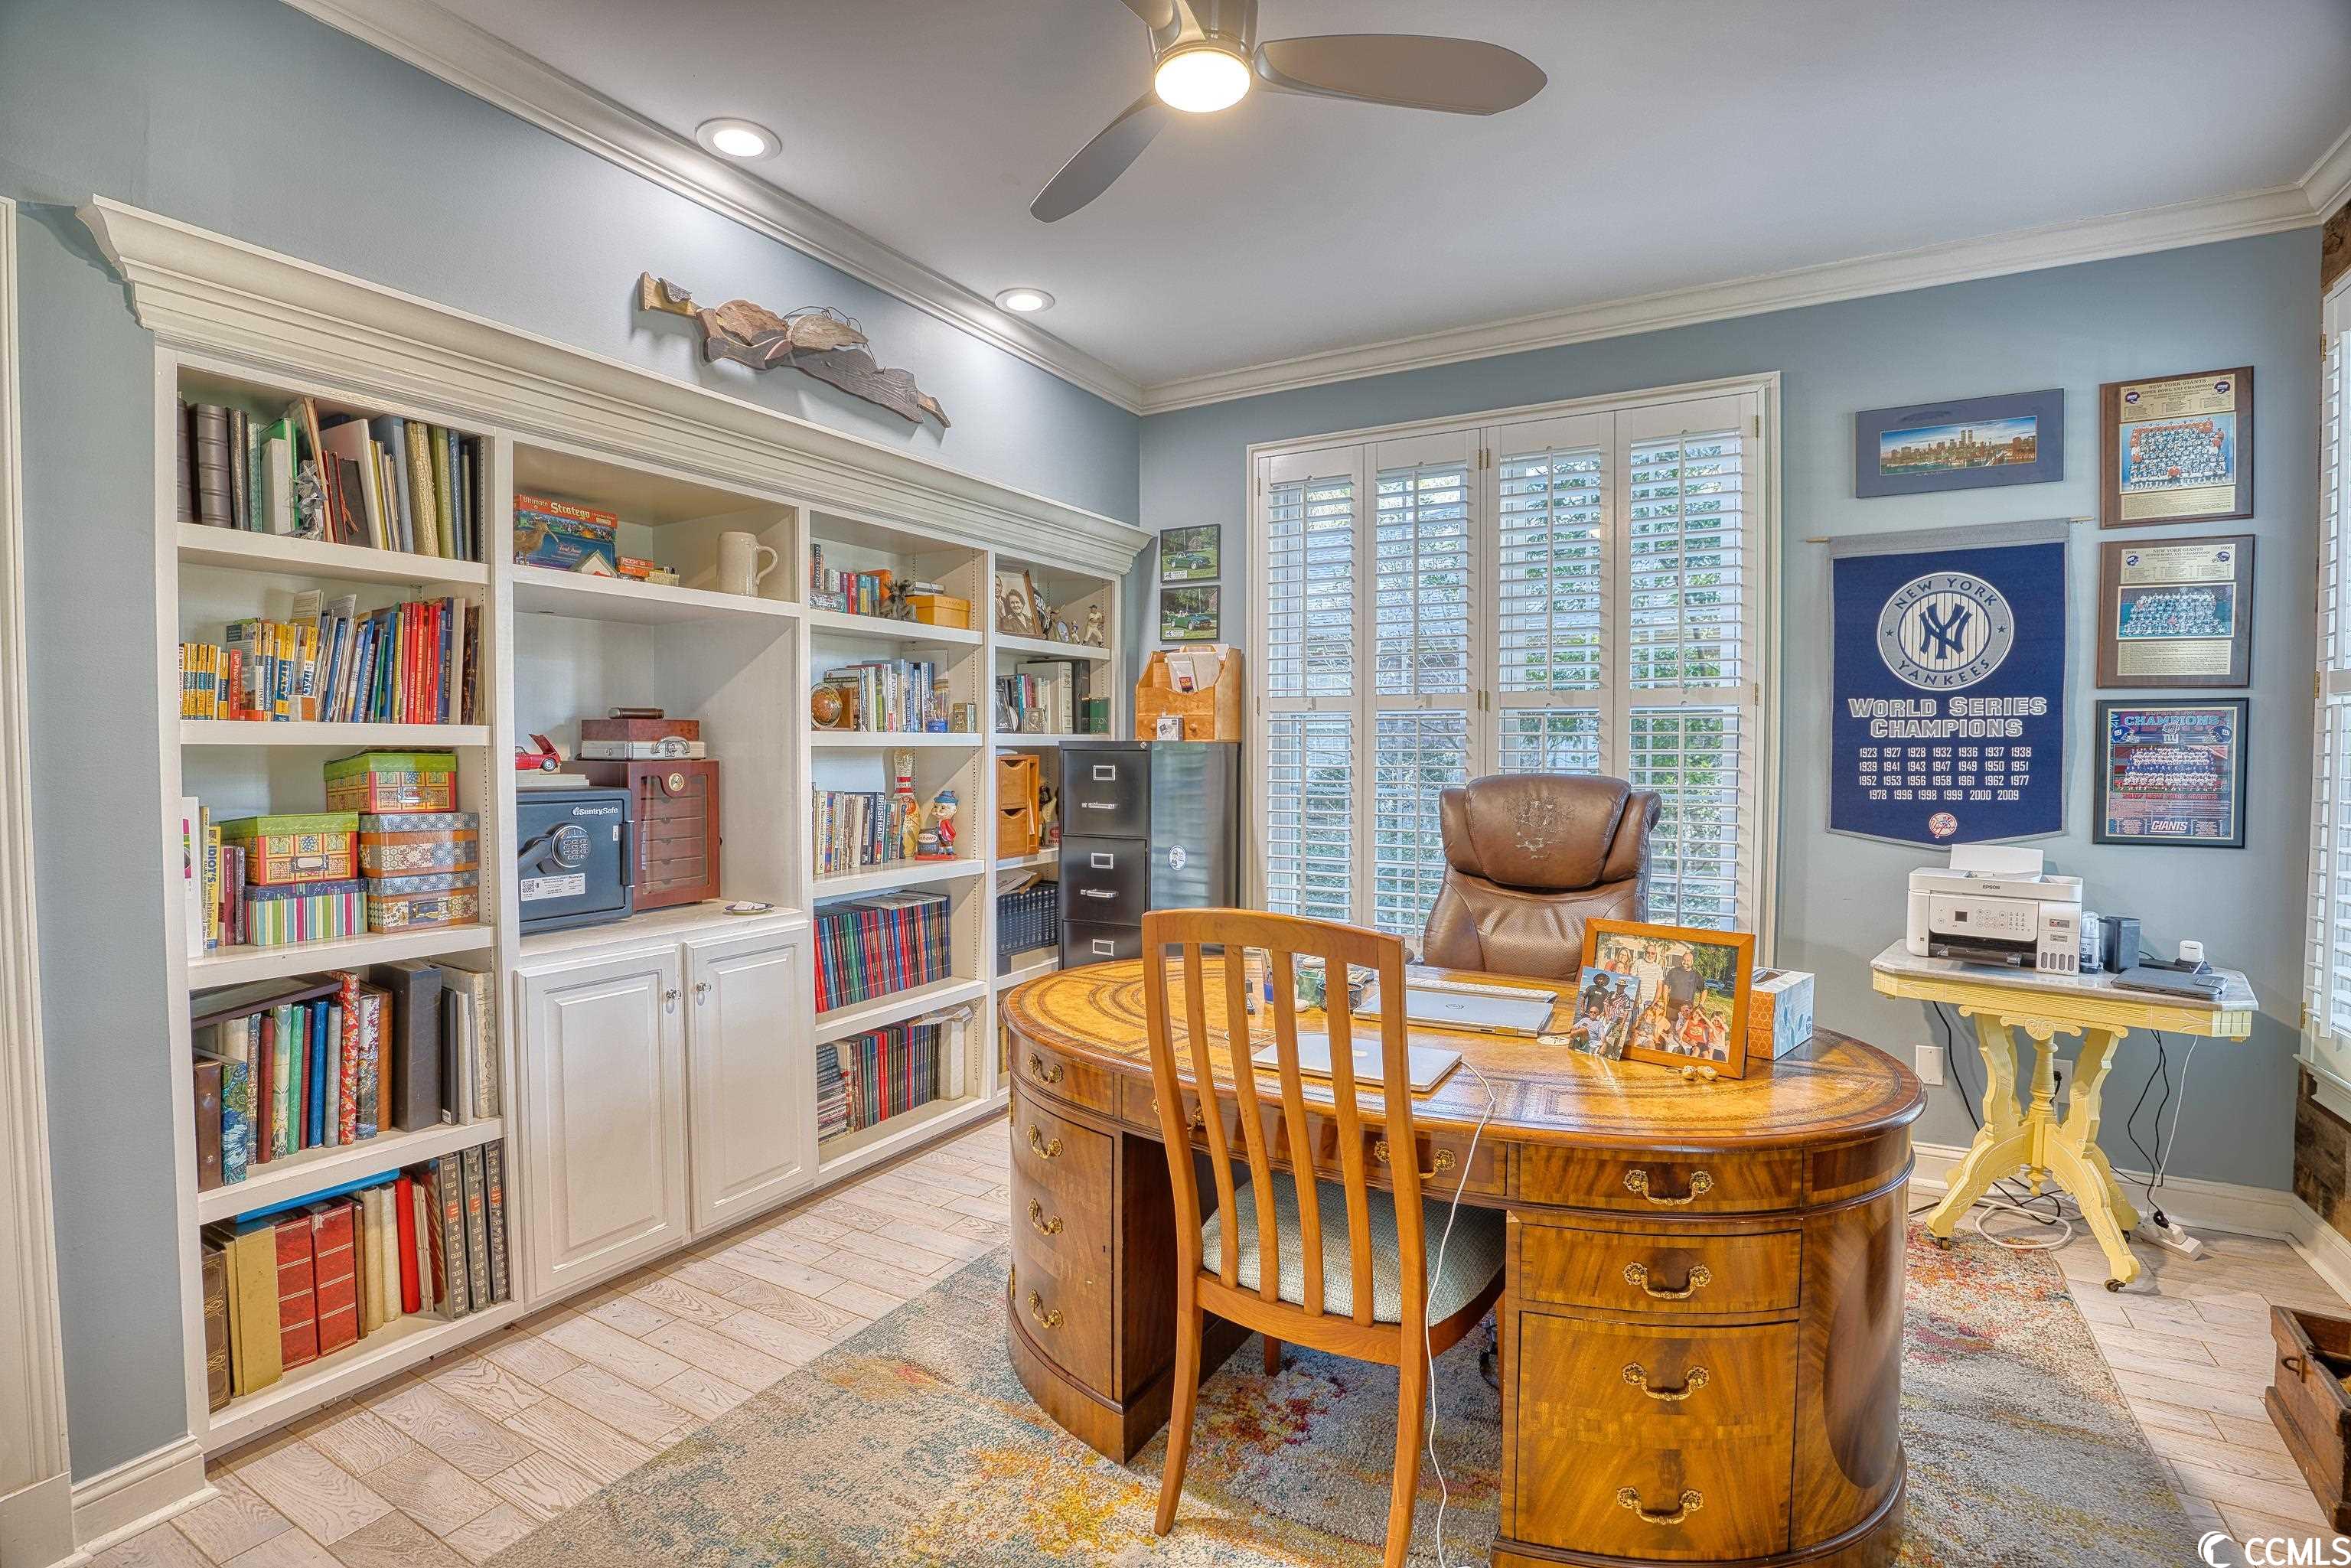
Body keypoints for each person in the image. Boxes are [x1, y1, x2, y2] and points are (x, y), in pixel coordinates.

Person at [1661, 945, 1703, 1027]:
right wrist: (1665, 1002)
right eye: (1684, 960)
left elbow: (1704, 990)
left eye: (1688, 960)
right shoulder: (1673, 972)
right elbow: (1665, 986)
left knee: (1683, 1028)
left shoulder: (1696, 975)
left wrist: (1700, 1004)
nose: (1685, 962)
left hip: (1687, 1009)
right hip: (1672, 1006)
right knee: (1669, 1026)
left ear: (1692, 962)